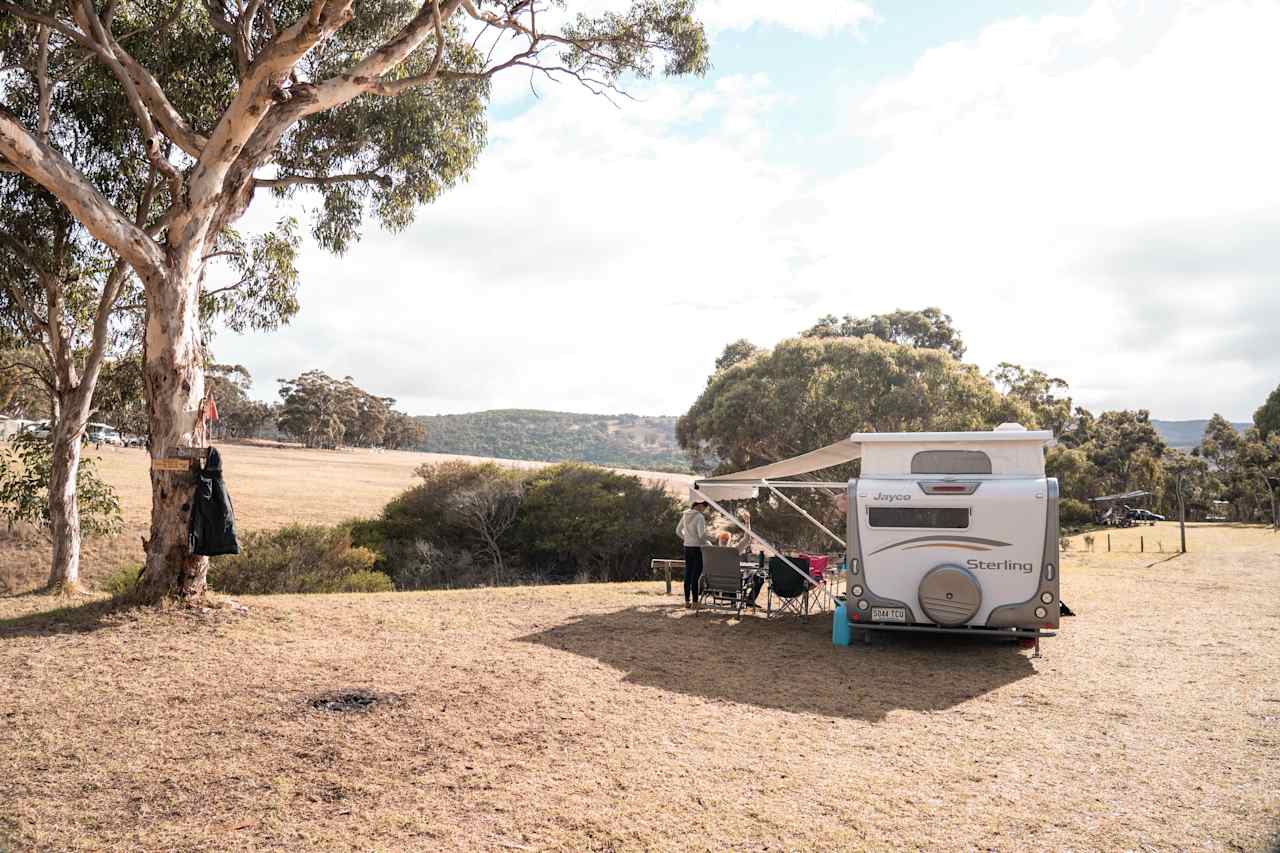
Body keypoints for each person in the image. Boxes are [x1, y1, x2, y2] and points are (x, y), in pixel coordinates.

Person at [676, 500, 712, 608]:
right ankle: (695, 603)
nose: (703, 510)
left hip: (687, 547)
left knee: (688, 574)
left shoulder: (685, 514)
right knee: (696, 576)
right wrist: (708, 543)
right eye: (704, 507)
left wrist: (687, 539)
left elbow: (678, 531)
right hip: (697, 548)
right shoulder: (699, 517)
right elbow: (701, 535)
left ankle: (687, 601)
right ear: (700, 505)